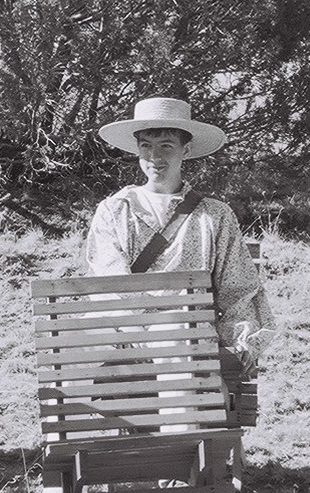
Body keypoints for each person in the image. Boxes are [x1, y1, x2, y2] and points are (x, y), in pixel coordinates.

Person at [85, 97, 275, 377]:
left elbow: (238, 288)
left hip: (187, 334)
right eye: (146, 146)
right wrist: (132, 330)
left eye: (166, 146)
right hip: (123, 333)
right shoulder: (115, 210)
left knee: (176, 335)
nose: (155, 157)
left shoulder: (214, 215)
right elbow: (108, 280)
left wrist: (241, 341)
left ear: (185, 150)